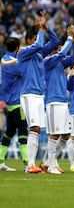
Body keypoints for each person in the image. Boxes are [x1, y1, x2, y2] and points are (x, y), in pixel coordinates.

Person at [18, 15, 60, 173]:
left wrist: (47, 28)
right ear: (29, 40)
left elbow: (55, 42)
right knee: (33, 127)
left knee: (36, 130)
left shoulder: (39, 54)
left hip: (39, 96)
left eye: (37, 37)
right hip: (28, 94)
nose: (37, 41)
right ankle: (29, 164)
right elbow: (40, 44)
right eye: (34, 38)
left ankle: (31, 164)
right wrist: (41, 30)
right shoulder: (23, 52)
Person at [41, 25, 74, 174]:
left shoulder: (61, 63)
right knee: (54, 135)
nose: (59, 51)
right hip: (53, 102)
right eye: (57, 49)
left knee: (65, 134)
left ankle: (49, 162)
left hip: (63, 102)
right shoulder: (47, 62)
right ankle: (50, 166)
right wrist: (69, 37)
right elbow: (62, 53)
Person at [0, 37, 28, 171]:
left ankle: (0, 161)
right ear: (17, 48)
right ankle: (27, 163)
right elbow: (26, 72)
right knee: (23, 133)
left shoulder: (3, 59)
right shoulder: (15, 62)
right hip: (18, 103)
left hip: (8, 103)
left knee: (9, 133)